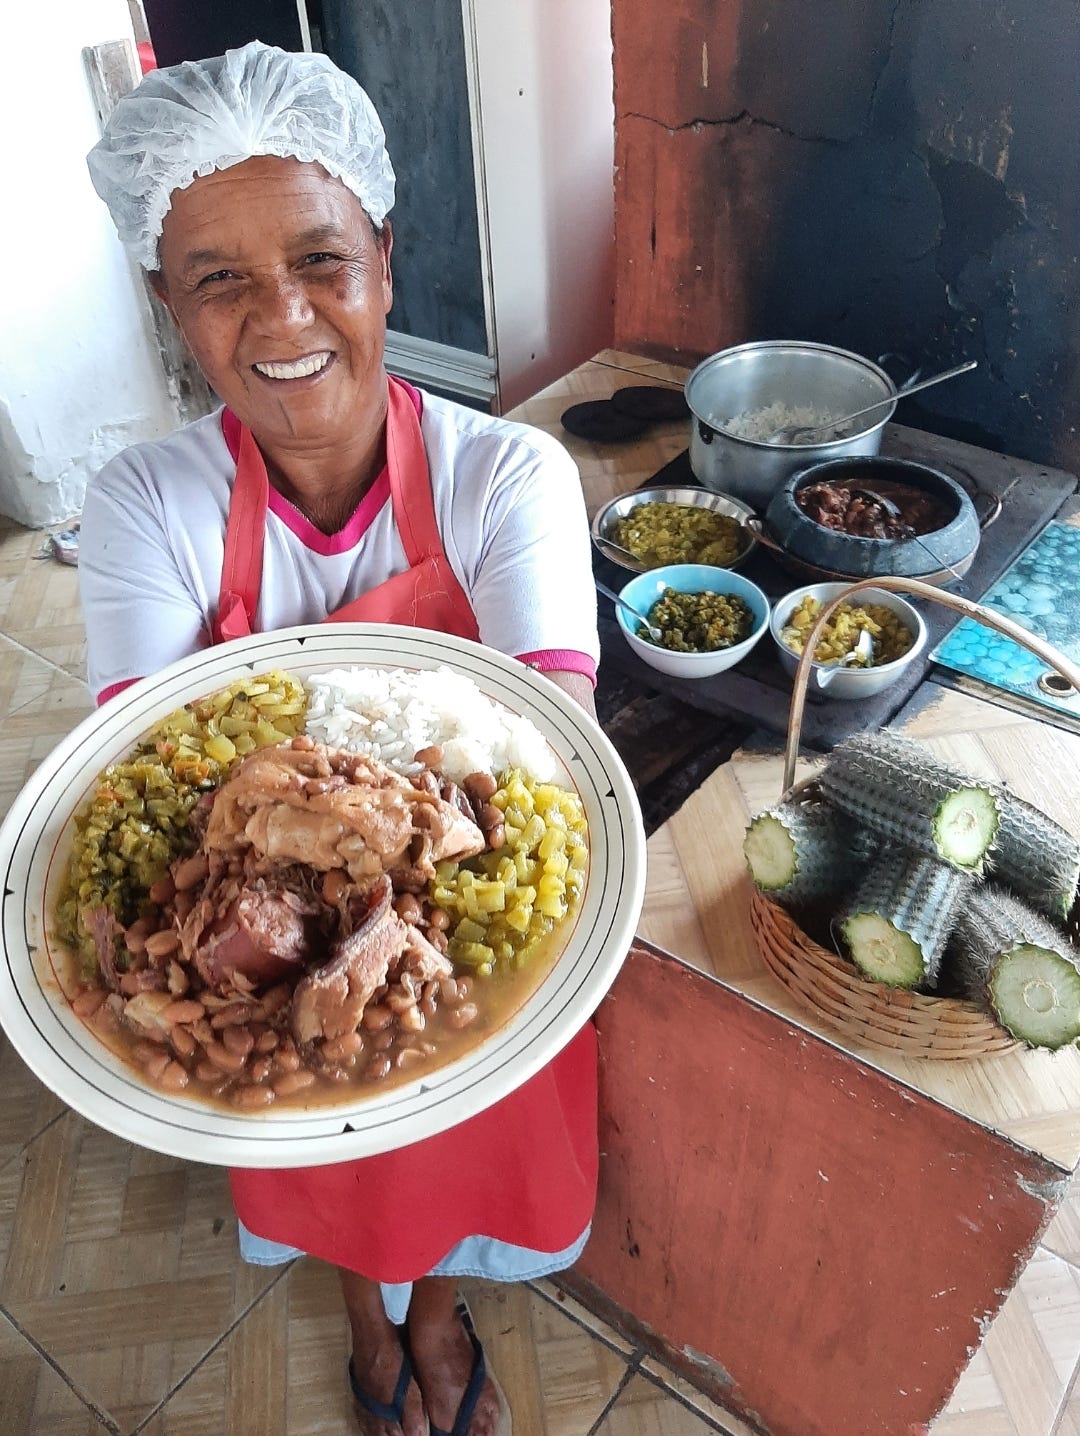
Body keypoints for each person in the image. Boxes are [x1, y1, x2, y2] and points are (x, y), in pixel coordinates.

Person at [84, 41, 601, 1436]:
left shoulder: (511, 474)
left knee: (459, 1126)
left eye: (322, 258)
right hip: (256, 958)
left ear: (385, 260)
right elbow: (143, 779)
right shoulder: (144, 504)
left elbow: (549, 763)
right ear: (167, 304)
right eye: (219, 278)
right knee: (302, 1119)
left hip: (456, 953)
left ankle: (434, 1313)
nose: (283, 316)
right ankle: (366, 1319)